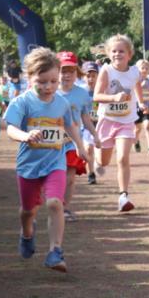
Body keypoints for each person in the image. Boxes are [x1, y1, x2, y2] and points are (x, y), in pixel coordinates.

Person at [3, 47, 85, 272]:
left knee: (54, 203)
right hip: (28, 165)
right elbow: (10, 128)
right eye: (42, 82)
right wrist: (25, 136)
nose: (48, 87)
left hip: (54, 162)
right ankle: (27, 233)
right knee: (28, 211)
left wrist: (80, 146)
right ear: (29, 78)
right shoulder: (22, 102)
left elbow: (69, 124)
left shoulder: (61, 103)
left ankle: (55, 251)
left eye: (53, 81)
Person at [92, 34, 143, 212]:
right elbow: (96, 96)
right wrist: (114, 97)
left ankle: (123, 196)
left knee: (122, 158)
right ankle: (98, 163)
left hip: (126, 121)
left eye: (121, 51)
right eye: (113, 51)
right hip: (107, 120)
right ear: (108, 53)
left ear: (129, 54)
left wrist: (141, 102)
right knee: (104, 162)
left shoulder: (135, 71)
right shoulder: (106, 71)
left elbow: (136, 84)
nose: (117, 54)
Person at [57, 52, 97, 221]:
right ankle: (53, 203)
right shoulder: (50, 92)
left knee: (70, 178)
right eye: (63, 70)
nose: (66, 74)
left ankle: (64, 208)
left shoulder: (82, 94)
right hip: (51, 143)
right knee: (53, 176)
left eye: (71, 71)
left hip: (73, 142)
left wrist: (96, 135)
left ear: (77, 73)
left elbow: (85, 117)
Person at [80, 61, 100, 185]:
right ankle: (91, 174)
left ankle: (98, 163)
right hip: (87, 126)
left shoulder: (103, 91)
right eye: (88, 75)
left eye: (93, 75)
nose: (91, 79)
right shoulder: (80, 93)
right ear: (83, 76)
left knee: (99, 151)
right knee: (89, 149)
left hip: (101, 125)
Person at [134, 58, 149, 156]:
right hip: (136, 108)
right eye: (142, 68)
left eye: (147, 68)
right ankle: (136, 141)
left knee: (147, 125)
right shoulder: (133, 81)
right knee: (137, 129)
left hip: (146, 107)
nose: (145, 70)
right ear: (137, 69)